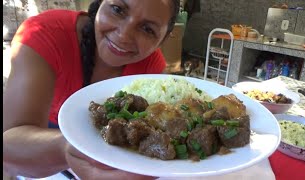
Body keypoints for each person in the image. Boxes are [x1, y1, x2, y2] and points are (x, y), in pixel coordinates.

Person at [3, 0, 179, 179]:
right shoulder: (44, 34)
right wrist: (68, 148)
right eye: (117, 10)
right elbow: (8, 144)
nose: (124, 35)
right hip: (43, 144)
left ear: (163, 40)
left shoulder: (151, 68)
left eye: (147, 29)